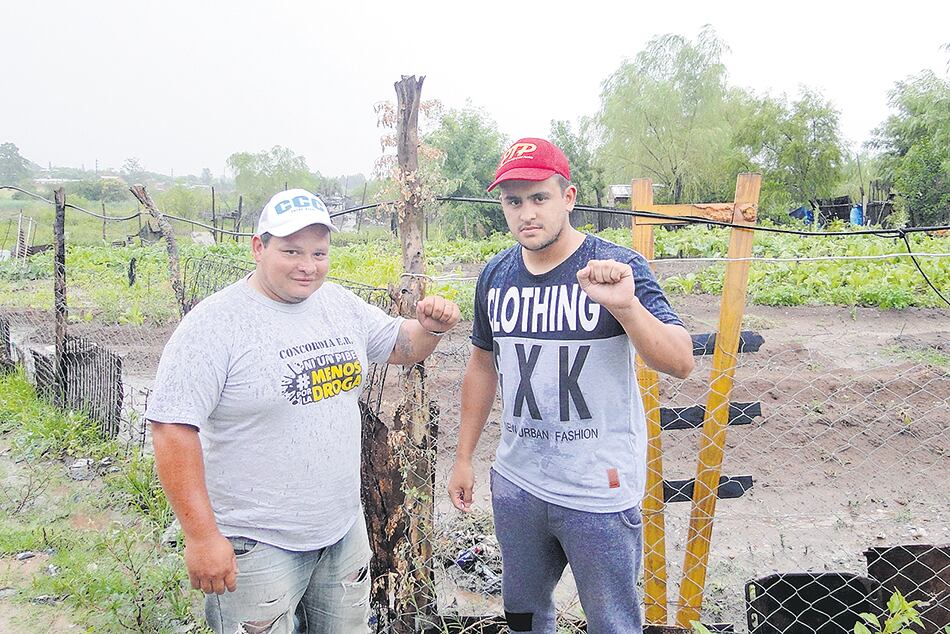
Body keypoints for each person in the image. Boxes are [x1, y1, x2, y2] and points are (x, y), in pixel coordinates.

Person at [147, 188, 460, 634]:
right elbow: (172, 428)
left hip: (341, 530)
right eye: (290, 251)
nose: (307, 265)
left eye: (318, 252)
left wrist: (430, 327)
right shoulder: (215, 324)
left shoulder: (338, 304)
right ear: (259, 247)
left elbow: (402, 346)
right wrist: (201, 537)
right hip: (256, 542)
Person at [447, 139, 694, 633]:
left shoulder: (615, 265)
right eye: (513, 201)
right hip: (518, 484)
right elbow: (481, 363)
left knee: (613, 622)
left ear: (568, 196)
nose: (526, 214)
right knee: (523, 615)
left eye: (539, 197)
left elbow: (680, 360)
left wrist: (625, 306)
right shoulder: (496, 275)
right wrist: (463, 456)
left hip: (597, 490)